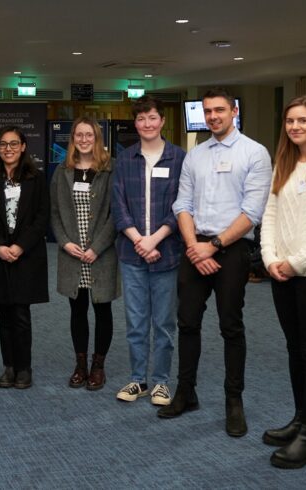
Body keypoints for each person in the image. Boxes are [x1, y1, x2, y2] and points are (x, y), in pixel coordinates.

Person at [159, 88, 271, 438]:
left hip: (233, 250)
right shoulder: (196, 155)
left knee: (230, 326)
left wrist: (215, 246)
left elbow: (252, 212)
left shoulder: (254, 153)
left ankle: (233, 401)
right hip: (195, 247)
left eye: (219, 110)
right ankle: (186, 392)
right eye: (207, 111)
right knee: (187, 322)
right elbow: (182, 205)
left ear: (234, 111)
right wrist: (195, 246)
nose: (213, 117)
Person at [111, 96, 186, 406]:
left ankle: (161, 382)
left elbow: (182, 206)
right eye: (141, 120)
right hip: (131, 254)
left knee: (165, 324)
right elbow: (119, 206)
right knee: (136, 322)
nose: (147, 124)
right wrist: (139, 241)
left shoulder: (179, 158)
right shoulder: (124, 159)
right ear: (136, 123)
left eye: (152, 118)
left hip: (167, 253)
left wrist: (153, 240)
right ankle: (138, 379)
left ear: (162, 120)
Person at [260, 95, 306, 469]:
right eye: (290, 121)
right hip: (281, 272)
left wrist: (295, 263)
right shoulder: (285, 163)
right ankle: (302, 419)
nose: (295, 127)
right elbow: (269, 215)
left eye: (303, 121)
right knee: (295, 350)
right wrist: (269, 258)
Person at [0, 126, 49, 389]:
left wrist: (20, 246)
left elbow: (42, 217)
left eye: (14, 144)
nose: (8, 149)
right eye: (3, 144)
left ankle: (24, 368)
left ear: (24, 147)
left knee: (21, 314)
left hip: (25, 256)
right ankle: (8, 367)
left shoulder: (36, 178)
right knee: (3, 315)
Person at [50, 117, 118, 391]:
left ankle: (98, 366)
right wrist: (65, 243)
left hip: (100, 254)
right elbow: (54, 212)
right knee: (77, 310)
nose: (84, 139)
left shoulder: (110, 170)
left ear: (97, 138)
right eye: (79, 135)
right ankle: (80, 364)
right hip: (72, 253)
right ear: (73, 139)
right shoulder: (62, 171)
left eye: (89, 134)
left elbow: (116, 215)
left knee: (103, 309)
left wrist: (96, 247)